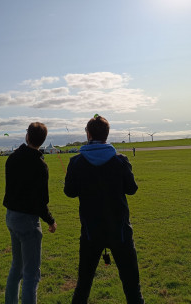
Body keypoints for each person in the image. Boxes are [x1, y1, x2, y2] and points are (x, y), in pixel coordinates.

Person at [64, 115, 145, 304]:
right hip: (121, 232)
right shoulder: (120, 160)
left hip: (91, 233)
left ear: (89, 134)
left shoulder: (76, 162)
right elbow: (131, 189)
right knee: (132, 287)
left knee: (83, 286)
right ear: (106, 136)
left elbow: (70, 192)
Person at [3, 122, 57, 304]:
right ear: (42, 141)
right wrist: (51, 221)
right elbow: (41, 202)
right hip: (27, 222)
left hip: (11, 217)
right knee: (31, 274)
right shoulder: (40, 166)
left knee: (16, 268)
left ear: (27, 136)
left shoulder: (12, 158)